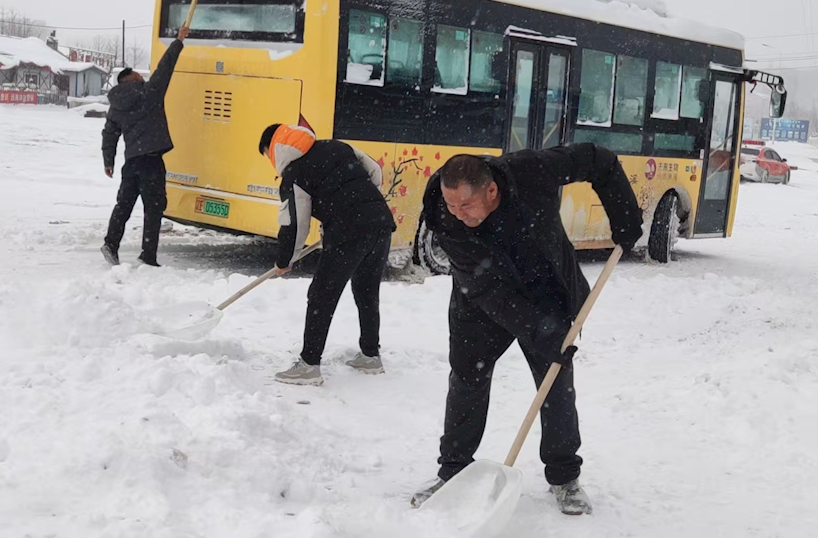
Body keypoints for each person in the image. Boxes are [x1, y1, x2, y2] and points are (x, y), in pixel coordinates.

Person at [410, 144, 643, 515]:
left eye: (465, 206)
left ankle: (564, 475)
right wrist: (537, 330)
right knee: (467, 380)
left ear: (490, 190)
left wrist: (624, 213)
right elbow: (487, 289)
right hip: (482, 300)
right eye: (451, 205)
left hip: (547, 289)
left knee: (555, 383)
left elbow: (598, 160)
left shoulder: (532, 170)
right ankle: (453, 471)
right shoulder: (444, 216)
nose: (457, 214)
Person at [259, 124, 396, 385]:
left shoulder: (293, 173)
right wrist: (360, 202)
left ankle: (309, 365)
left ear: (274, 148)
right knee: (366, 292)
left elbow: (295, 223)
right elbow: (374, 171)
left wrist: (284, 260)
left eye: (267, 154)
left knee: (322, 294)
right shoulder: (336, 146)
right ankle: (370, 355)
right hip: (380, 221)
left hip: (349, 229)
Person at [99, 23, 191, 267]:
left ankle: (111, 243)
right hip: (151, 161)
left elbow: (109, 134)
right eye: (139, 76)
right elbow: (165, 67)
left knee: (124, 205)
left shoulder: (116, 106)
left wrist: (108, 161)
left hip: (131, 164)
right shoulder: (149, 92)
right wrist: (178, 40)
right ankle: (148, 255)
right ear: (131, 80)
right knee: (154, 208)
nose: (142, 78)